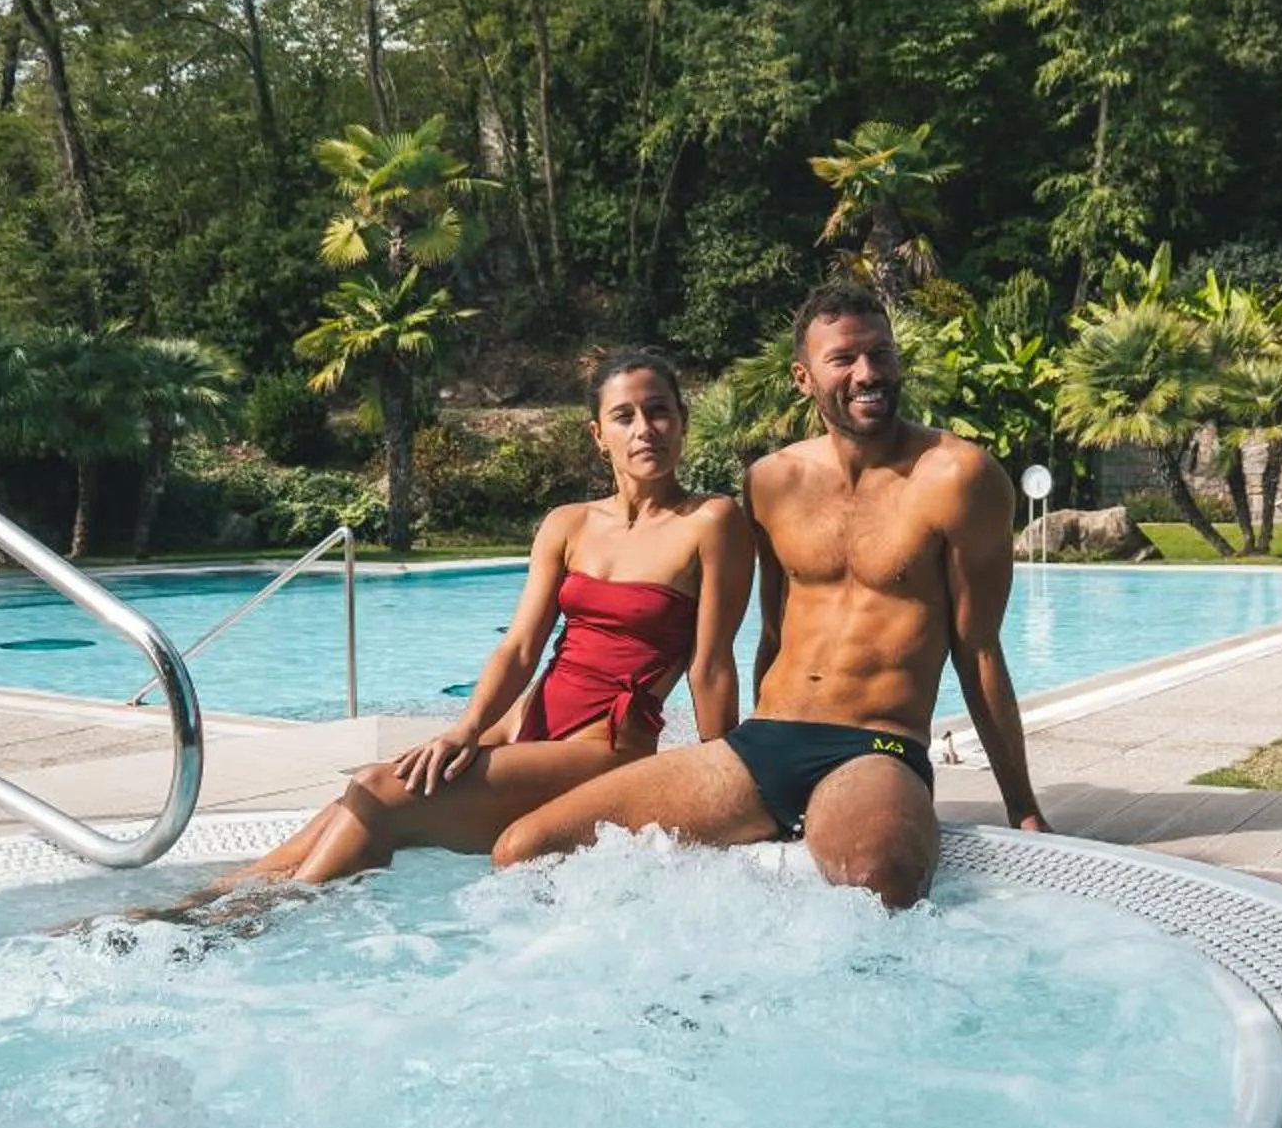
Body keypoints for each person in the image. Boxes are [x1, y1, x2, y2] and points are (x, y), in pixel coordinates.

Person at [490, 282, 1047, 909]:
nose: (869, 373)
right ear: (803, 377)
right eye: (844, 359)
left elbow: (980, 654)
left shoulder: (959, 477)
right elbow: (771, 633)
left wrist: (1023, 809)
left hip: (874, 745)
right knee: (526, 849)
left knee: (878, 874)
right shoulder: (771, 481)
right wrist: (728, 751)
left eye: (881, 354)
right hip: (766, 742)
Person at [198, 351, 749, 898]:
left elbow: (711, 664)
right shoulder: (569, 524)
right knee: (359, 796)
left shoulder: (711, 521)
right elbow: (519, 649)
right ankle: (203, 903)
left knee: (379, 793)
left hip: (604, 746)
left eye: (658, 411)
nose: (645, 429)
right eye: (624, 416)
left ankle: (252, 924)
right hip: (521, 725)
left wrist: (721, 781)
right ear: (597, 435)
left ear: (682, 421)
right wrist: (466, 728)